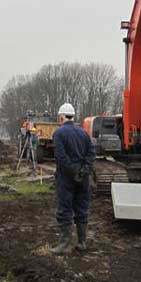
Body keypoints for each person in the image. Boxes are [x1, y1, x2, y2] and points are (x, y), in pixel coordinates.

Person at [51, 103, 95, 254]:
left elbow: (61, 157)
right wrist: (84, 171)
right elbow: (91, 154)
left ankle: (65, 244)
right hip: (83, 179)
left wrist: (73, 172)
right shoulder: (84, 133)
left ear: (62, 116)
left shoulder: (59, 133)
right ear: (73, 116)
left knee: (65, 210)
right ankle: (82, 242)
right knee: (81, 210)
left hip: (66, 179)